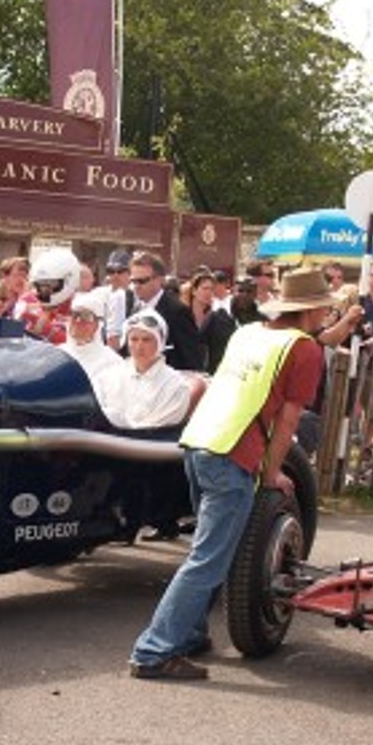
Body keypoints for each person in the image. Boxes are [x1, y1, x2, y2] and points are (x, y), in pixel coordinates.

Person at [127, 266, 330, 681]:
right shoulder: (305, 349)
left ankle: (190, 633)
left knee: (207, 551)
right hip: (231, 454)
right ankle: (153, 651)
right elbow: (288, 422)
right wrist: (271, 473)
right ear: (311, 311)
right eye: (324, 309)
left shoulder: (248, 333)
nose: (326, 316)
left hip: (199, 441)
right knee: (208, 560)